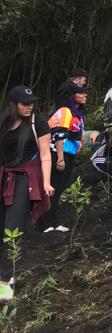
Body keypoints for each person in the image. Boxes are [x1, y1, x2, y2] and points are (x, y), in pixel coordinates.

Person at [0, 86, 54, 301]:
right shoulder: (3, 123)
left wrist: (47, 182)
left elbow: (45, 156)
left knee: (13, 228)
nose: (29, 106)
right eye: (24, 103)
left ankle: (4, 281)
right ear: (14, 104)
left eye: (31, 102)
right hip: (4, 176)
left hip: (24, 178)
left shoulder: (38, 123)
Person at [37, 83, 86, 233]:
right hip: (58, 153)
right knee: (52, 188)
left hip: (69, 153)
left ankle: (53, 221)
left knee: (59, 189)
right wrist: (60, 158)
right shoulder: (65, 111)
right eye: (81, 93)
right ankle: (43, 223)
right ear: (72, 96)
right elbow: (59, 135)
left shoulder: (77, 112)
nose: (85, 95)